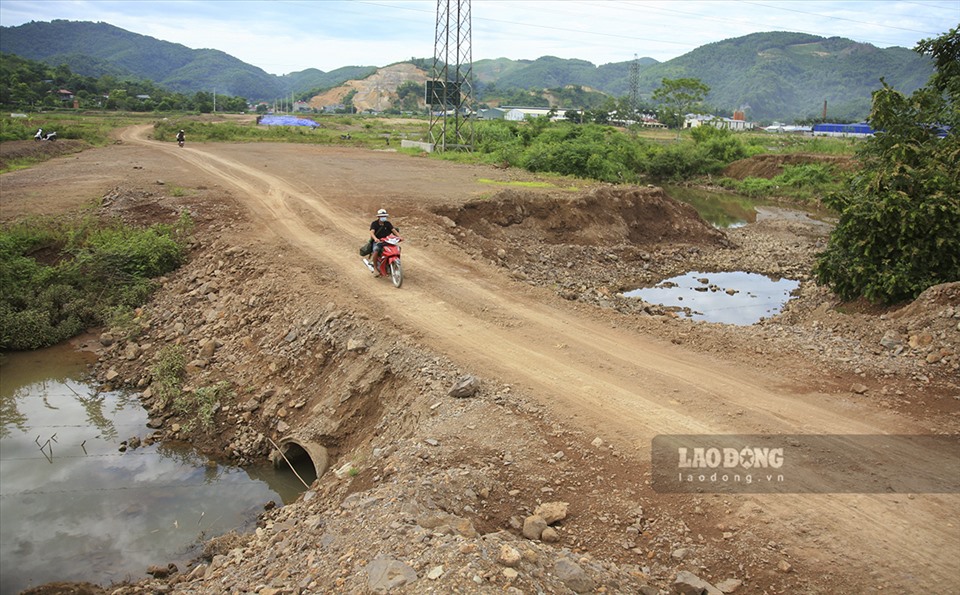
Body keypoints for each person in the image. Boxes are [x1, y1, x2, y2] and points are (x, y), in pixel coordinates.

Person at [367, 208, 401, 275]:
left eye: (384, 216)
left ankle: (393, 263)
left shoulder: (387, 223)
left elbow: (394, 230)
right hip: (378, 241)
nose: (383, 217)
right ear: (378, 217)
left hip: (388, 241)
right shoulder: (374, 224)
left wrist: (399, 237)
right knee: (376, 250)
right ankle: (376, 268)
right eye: (382, 216)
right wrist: (375, 239)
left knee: (398, 248)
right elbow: (372, 232)